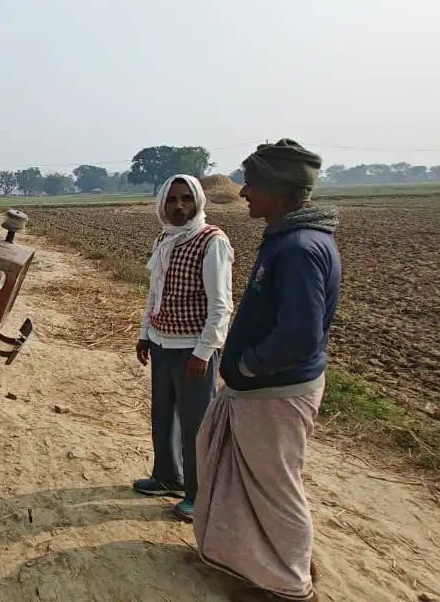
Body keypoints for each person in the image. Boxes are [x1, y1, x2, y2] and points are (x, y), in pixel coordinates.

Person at [194, 139, 340, 602]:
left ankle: (290, 588)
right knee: (247, 474)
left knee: (276, 488)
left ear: (278, 190)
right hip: (263, 391)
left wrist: (246, 365)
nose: (243, 192)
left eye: (252, 183)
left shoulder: (298, 247)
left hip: (275, 392)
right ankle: (261, 560)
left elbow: (299, 334)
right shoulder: (290, 238)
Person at [133, 175, 234, 523]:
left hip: (192, 350)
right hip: (162, 344)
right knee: (163, 416)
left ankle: (199, 495)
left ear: (197, 202)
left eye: (186, 199)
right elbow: (155, 292)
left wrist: (204, 352)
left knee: (196, 425)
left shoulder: (211, 241)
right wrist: (145, 333)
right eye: (172, 199)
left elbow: (221, 305)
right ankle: (167, 476)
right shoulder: (164, 239)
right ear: (162, 203)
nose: (178, 206)